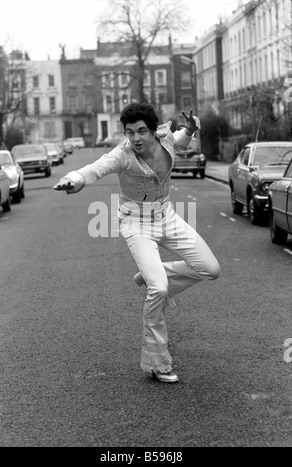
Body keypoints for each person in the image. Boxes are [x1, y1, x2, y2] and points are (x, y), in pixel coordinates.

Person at [53, 102, 220, 383]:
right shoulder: (123, 155)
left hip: (166, 216)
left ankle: (150, 273)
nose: (136, 138)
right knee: (159, 288)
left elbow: (179, 139)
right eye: (130, 132)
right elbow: (96, 168)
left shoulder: (165, 141)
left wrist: (190, 129)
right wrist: (73, 178)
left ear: (154, 131)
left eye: (142, 131)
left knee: (211, 269)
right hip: (136, 223)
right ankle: (156, 361)